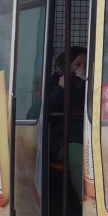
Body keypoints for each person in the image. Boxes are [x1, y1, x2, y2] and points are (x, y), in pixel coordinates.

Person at [47, 46, 87, 201]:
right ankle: (85, 204)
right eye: (78, 64)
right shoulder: (54, 80)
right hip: (63, 139)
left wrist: (85, 85)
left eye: (85, 65)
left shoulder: (89, 84)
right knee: (78, 158)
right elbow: (47, 110)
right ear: (68, 64)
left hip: (86, 135)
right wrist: (61, 88)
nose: (81, 68)